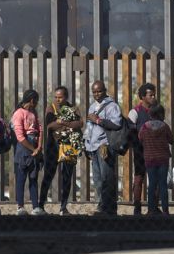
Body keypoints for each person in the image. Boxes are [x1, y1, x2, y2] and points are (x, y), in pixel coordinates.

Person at [38, 86, 83, 216]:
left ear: (66, 96)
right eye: (56, 97)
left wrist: (62, 122)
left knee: (67, 177)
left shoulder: (73, 108)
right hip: (53, 147)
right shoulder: (51, 107)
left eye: (60, 97)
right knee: (48, 175)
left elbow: (80, 123)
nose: (58, 99)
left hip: (69, 146)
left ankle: (63, 207)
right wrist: (69, 123)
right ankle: (41, 205)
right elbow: (49, 125)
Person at [84, 81, 123, 216]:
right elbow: (89, 127)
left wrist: (99, 120)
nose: (96, 94)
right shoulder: (92, 107)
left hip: (104, 146)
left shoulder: (112, 106)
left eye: (99, 91)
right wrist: (86, 145)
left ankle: (110, 208)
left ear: (104, 90)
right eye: (94, 92)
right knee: (98, 179)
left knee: (107, 178)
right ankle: (102, 206)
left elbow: (117, 124)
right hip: (93, 147)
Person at [11, 90, 43, 216]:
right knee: (21, 178)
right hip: (24, 147)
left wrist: (39, 147)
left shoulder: (33, 113)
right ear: (31, 100)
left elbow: (39, 129)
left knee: (33, 177)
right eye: (36, 101)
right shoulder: (19, 113)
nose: (36, 104)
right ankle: (20, 206)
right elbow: (20, 136)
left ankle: (35, 206)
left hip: (34, 145)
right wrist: (33, 149)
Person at [139, 104, 173, 215]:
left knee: (152, 184)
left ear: (150, 115)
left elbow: (140, 138)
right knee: (163, 185)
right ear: (160, 114)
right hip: (163, 159)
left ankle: (151, 209)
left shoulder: (144, 127)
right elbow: (171, 140)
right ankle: (165, 210)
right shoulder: (164, 126)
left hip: (150, 159)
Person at [128, 83, 157, 215]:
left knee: (155, 178)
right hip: (140, 150)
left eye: (154, 94)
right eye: (150, 95)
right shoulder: (135, 112)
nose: (153, 97)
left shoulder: (156, 111)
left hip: (155, 151)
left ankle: (153, 207)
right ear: (142, 96)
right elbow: (130, 131)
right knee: (139, 177)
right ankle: (137, 206)